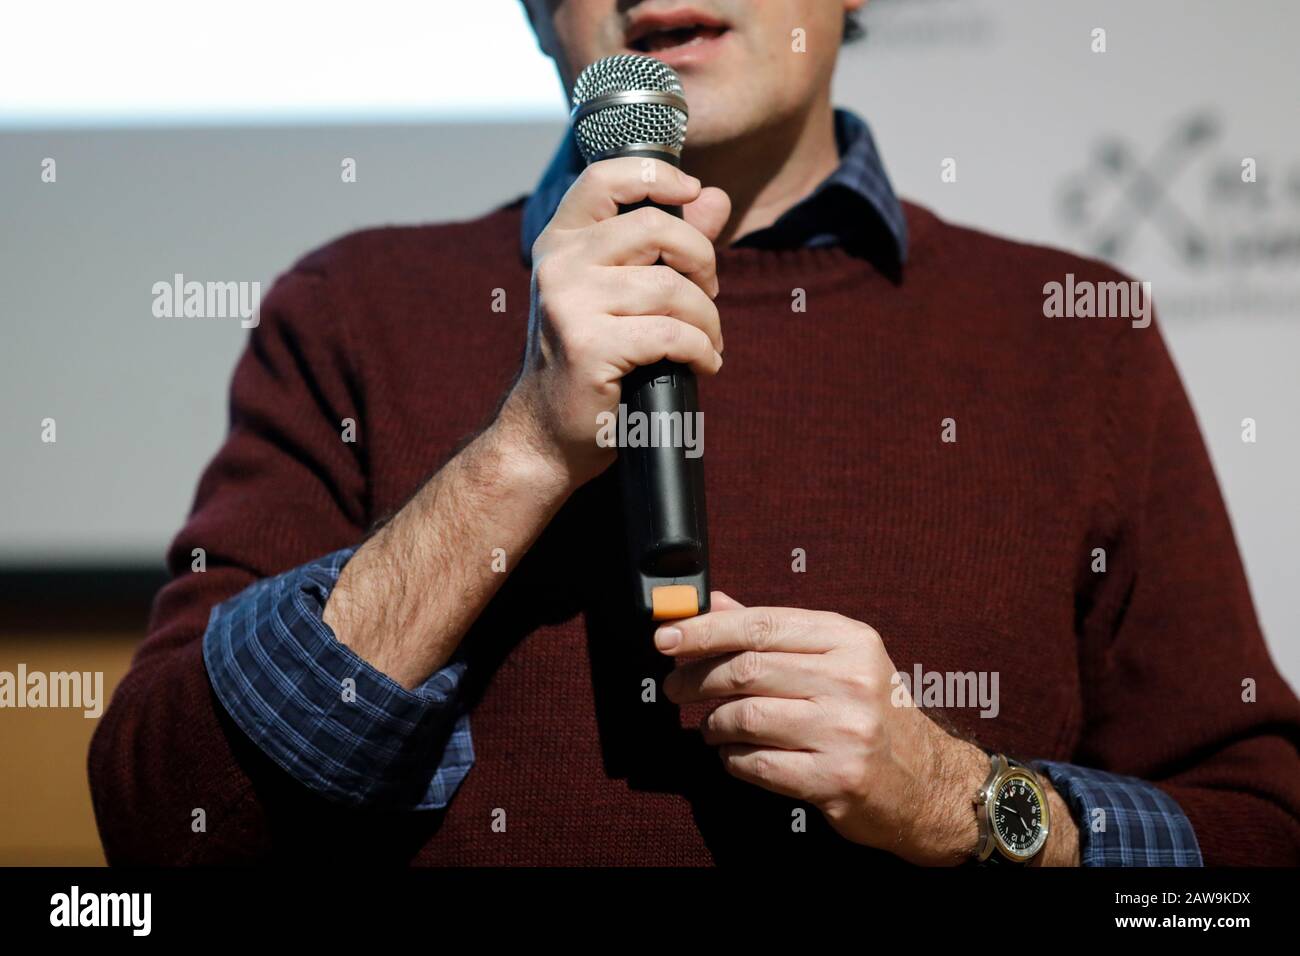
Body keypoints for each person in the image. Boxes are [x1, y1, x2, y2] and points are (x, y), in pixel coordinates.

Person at [89, 0, 1300, 866]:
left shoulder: (1070, 334)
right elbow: (161, 821)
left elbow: (1257, 836)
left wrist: (961, 803)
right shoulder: (351, 309)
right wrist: (523, 451)